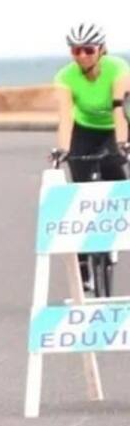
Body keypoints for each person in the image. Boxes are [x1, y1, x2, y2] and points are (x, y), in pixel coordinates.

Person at [51, 23, 130, 290]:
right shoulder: (65, 77)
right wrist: (62, 149)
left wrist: (122, 144)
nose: (82, 56)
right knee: (80, 194)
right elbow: (65, 117)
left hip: (113, 127)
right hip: (84, 130)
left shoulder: (118, 68)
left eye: (88, 50)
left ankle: (115, 236)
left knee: (116, 178)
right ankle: (84, 265)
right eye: (76, 51)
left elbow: (119, 109)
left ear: (101, 50)